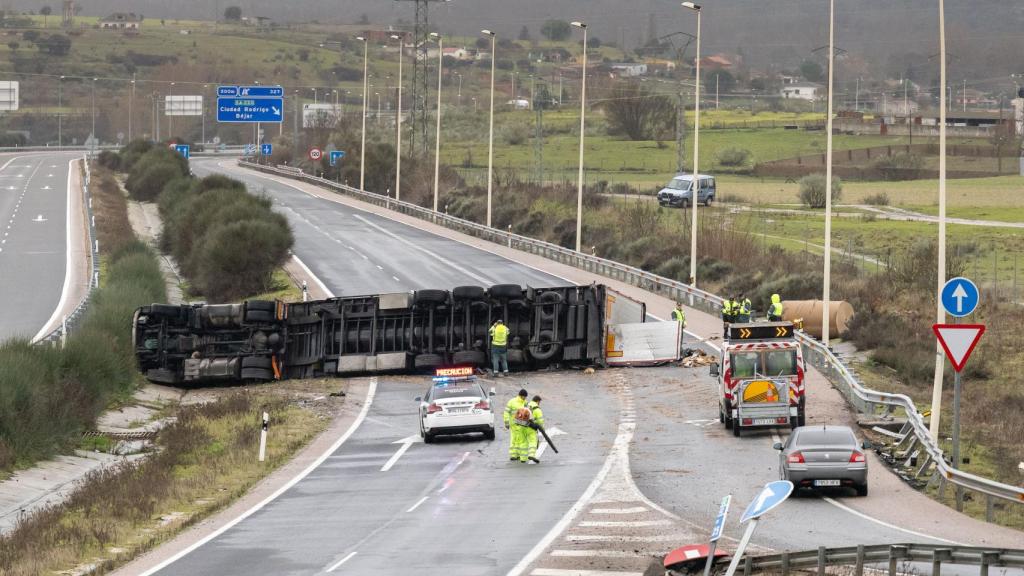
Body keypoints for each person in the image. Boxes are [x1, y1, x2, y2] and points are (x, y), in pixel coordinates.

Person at [504, 389, 529, 462]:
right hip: (514, 424)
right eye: (525, 397)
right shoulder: (512, 401)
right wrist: (506, 422)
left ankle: (517, 455)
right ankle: (513, 455)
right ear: (521, 395)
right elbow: (506, 412)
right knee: (514, 439)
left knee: (520, 439)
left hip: (522, 424)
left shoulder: (525, 403)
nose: (525, 398)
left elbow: (528, 412)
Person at [523, 395, 545, 463]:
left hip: (522, 426)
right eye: (539, 402)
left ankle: (522, 457)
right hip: (531, 427)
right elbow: (540, 421)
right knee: (533, 441)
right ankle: (531, 455)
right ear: (538, 401)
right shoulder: (537, 409)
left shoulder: (527, 405)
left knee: (525, 442)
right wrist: (542, 429)